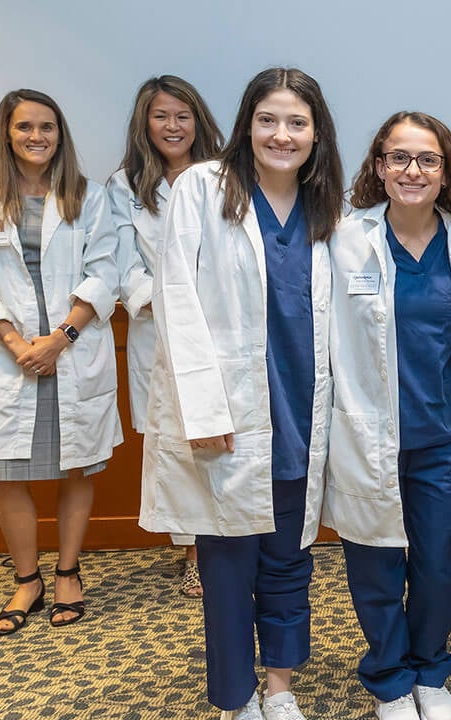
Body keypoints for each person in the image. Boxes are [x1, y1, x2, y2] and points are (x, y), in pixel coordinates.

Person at [138, 67, 343, 720]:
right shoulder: (203, 189)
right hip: (229, 414)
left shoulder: (328, 206)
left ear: (316, 133)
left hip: (303, 410)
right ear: (246, 124)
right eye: (267, 119)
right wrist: (201, 410)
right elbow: (175, 297)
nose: (281, 135)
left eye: (297, 122)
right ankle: (235, 698)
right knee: (227, 573)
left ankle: (279, 685)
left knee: (289, 560)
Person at [327, 111, 451, 720]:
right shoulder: (344, 238)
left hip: (445, 434)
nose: (413, 171)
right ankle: (389, 679)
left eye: (428, 160)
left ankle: (430, 670)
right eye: (399, 158)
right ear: (379, 167)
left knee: (439, 560)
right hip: (369, 430)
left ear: (446, 170)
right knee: (376, 557)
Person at [0, 89, 121, 636]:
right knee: (8, 474)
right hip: (12, 358)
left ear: (60, 133)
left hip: (71, 349)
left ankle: (68, 572)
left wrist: (60, 338)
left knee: (76, 465)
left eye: (47, 127)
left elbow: (104, 271)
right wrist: (17, 344)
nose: (36, 137)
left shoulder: (87, 196)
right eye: (25, 126)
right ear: (6, 131)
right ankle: (27, 580)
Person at [107, 74, 223, 596]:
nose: (172, 126)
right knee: (175, 441)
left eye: (182, 115)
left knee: (221, 434)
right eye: (161, 116)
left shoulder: (227, 176)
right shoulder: (124, 186)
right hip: (159, 329)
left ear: (197, 120)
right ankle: (194, 553)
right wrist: (161, 296)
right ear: (144, 123)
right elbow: (121, 262)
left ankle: (227, 541)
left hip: (220, 327)